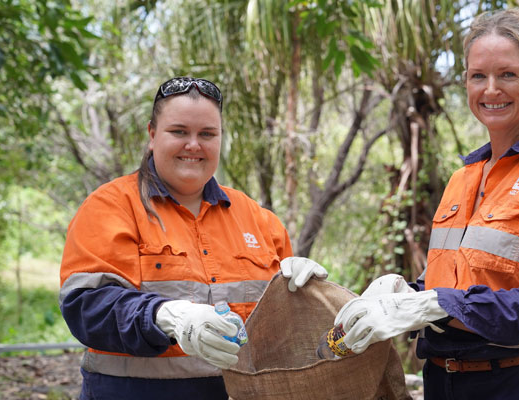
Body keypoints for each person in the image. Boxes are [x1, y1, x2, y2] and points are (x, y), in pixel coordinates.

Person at [335, 8, 519, 400]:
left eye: (508, 74)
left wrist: (434, 303)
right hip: (444, 381)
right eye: (479, 76)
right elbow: (456, 286)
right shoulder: (464, 177)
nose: (491, 89)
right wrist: (404, 293)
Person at [59, 76, 328, 400]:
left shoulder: (257, 218)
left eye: (207, 134)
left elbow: (285, 335)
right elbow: (86, 308)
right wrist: (166, 316)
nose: (193, 145)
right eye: (179, 132)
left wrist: (306, 297)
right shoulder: (110, 208)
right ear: (152, 135)